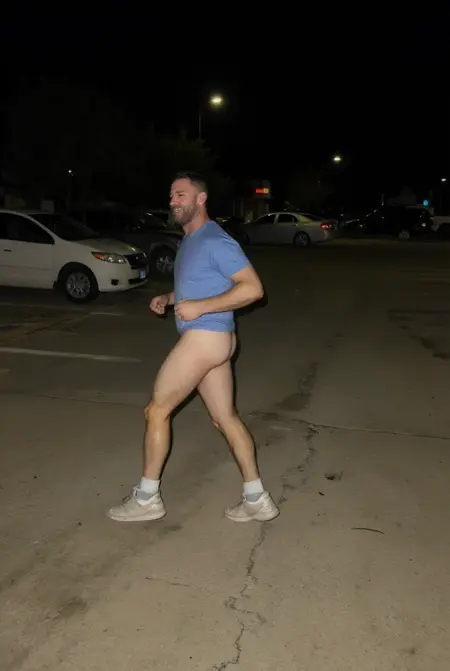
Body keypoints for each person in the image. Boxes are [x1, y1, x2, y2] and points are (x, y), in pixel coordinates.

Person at [108, 172, 279, 523]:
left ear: (200, 199)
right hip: (216, 341)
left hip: (205, 338)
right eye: (171, 195)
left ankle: (146, 498)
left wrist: (200, 308)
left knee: (156, 411)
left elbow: (253, 289)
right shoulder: (189, 240)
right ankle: (256, 499)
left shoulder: (216, 240)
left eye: (180, 195)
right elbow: (199, 287)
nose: (172, 201)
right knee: (224, 417)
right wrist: (170, 298)